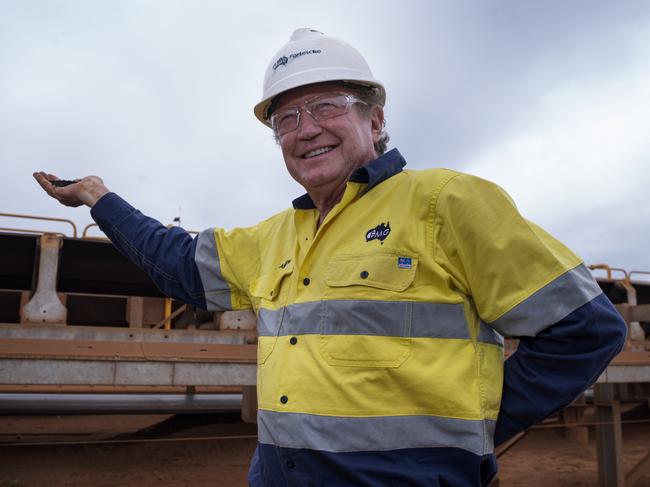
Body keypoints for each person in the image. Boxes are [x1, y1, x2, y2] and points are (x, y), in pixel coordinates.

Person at [35, 28, 626, 487]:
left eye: (327, 106)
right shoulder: (275, 237)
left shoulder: (446, 201)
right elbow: (183, 267)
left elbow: (584, 330)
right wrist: (99, 199)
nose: (305, 129)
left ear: (376, 118)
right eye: (286, 118)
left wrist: (467, 433)